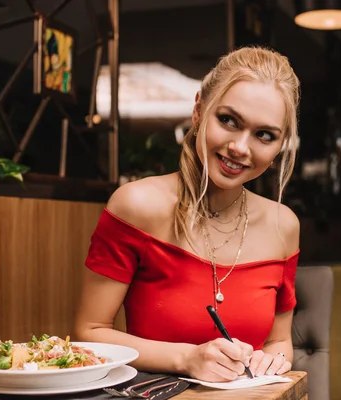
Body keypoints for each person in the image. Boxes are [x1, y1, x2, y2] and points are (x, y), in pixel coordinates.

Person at [73, 46, 301, 383]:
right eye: (228, 120)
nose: (240, 146)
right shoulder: (136, 206)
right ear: (199, 111)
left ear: (279, 146)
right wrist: (186, 358)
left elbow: (279, 341)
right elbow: (89, 333)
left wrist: (272, 361)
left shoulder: (284, 225)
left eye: (263, 135)